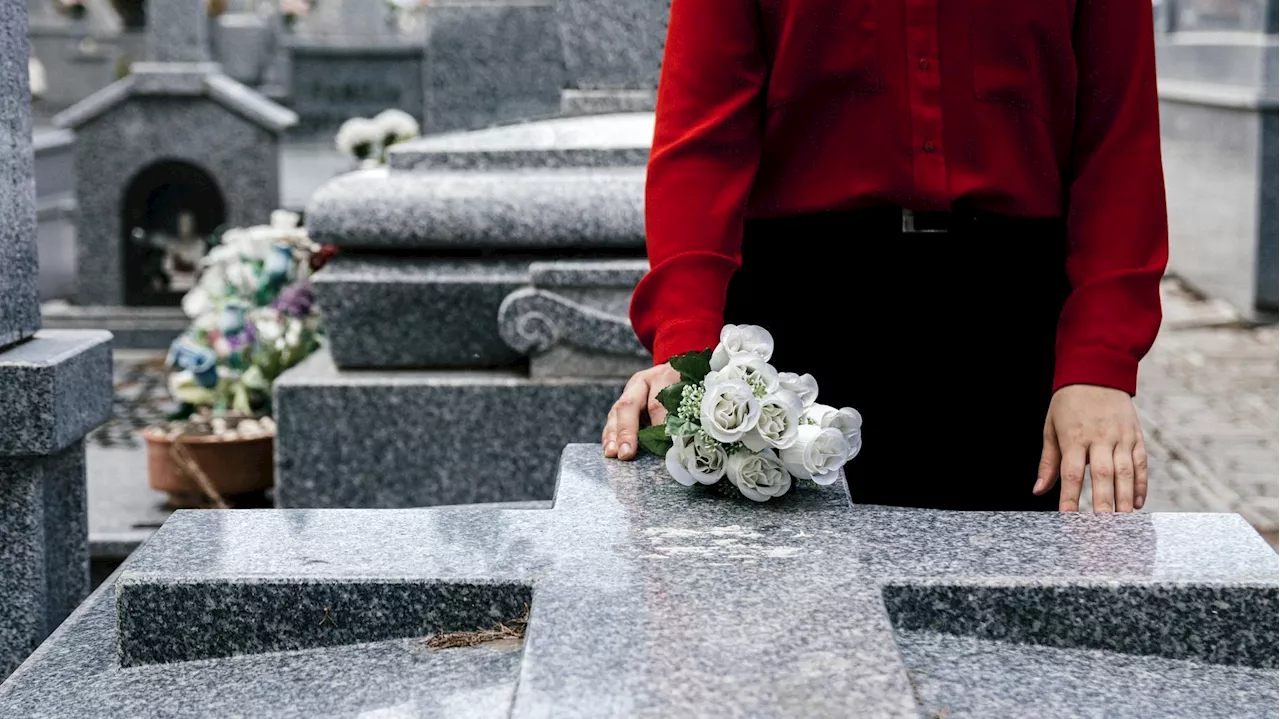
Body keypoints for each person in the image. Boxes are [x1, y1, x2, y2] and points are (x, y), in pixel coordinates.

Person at [602, 0, 1168, 514]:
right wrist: (688, 352)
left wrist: (1098, 362)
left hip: (1011, 326)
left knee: (1012, 611)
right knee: (791, 610)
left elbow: (1119, 141)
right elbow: (702, 141)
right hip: (800, 328)